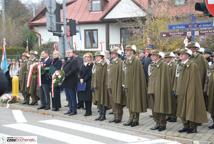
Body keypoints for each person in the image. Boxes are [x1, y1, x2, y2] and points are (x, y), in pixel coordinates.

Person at [176, 49, 208, 133]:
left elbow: (194, 81)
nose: (180, 56)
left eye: (183, 54)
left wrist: (191, 91)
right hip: (181, 90)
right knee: (182, 108)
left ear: (187, 55)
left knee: (190, 108)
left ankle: (193, 127)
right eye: (180, 54)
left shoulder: (192, 65)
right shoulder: (181, 64)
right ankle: (186, 125)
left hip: (190, 91)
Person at [123, 45, 148, 127]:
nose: (127, 52)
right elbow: (125, 73)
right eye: (126, 51)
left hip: (135, 85)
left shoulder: (136, 61)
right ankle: (130, 118)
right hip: (128, 85)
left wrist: (137, 85)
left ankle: (135, 119)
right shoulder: (126, 60)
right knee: (130, 102)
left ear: (132, 52)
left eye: (128, 51)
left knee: (135, 102)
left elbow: (139, 75)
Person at [148, 50, 172, 131]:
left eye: (154, 55)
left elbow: (165, 79)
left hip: (160, 89)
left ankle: (162, 124)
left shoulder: (163, 65)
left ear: (158, 56)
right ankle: (157, 123)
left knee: (161, 107)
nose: (152, 56)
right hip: (152, 89)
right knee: (154, 108)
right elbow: (151, 77)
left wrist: (162, 89)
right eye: (151, 55)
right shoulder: (152, 64)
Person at [108, 47, 125, 123]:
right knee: (113, 102)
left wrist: (122, 85)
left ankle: (119, 117)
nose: (111, 55)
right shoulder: (111, 62)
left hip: (117, 84)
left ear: (116, 54)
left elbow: (122, 74)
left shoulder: (120, 62)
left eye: (113, 53)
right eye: (111, 53)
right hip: (111, 84)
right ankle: (115, 116)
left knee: (118, 101)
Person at [92, 51, 109, 121]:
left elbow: (105, 75)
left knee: (103, 100)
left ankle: (103, 115)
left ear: (101, 57)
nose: (96, 58)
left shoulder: (104, 64)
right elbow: (93, 75)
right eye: (96, 57)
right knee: (99, 100)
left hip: (102, 85)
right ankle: (100, 114)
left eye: (98, 56)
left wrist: (105, 84)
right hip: (96, 85)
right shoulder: (95, 64)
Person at [63, 50, 79, 116]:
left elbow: (73, 70)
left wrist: (66, 75)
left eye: (69, 52)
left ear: (73, 53)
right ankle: (70, 109)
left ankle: (74, 110)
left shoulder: (74, 60)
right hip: (66, 81)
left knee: (72, 96)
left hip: (71, 80)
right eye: (67, 52)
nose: (68, 53)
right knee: (69, 96)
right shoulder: (67, 60)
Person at [164, 52, 177, 122]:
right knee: (168, 102)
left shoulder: (174, 65)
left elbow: (174, 77)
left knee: (173, 102)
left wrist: (173, 87)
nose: (165, 59)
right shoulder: (166, 65)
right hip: (166, 86)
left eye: (167, 58)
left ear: (170, 58)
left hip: (171, 86)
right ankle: (169, 115)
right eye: (165, 58)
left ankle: (173, 116)